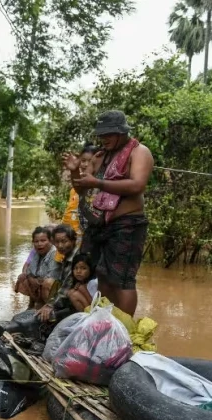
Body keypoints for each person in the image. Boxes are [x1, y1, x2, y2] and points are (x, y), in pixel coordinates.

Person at [63, 110, 154, 316]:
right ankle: (106, 321)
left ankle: (125, 329)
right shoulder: (100, 156)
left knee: (122, 279)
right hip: (101, 223)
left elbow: (137, 185)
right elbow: (81, 188)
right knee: (102, 275)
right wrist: (75, 171)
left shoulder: (139, 152)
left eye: (109, 134)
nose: (104, 139)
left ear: (122, 132)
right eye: (101, 135)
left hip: (128, 223)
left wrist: (97, 182)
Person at [58, 143, 99, 261]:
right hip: (73, 238)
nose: (85, 164)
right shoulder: (76, 187)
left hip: (92, 238)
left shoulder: (102, 184)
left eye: (90, 161)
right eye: (83, 160)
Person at [36, 224, 79, 322]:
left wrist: (50, 305)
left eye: (64, 241)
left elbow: (67, 286)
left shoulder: (76, 260)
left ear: (73, 241)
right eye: (57, 242)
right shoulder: (67, 256)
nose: (60, 246)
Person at [15, 226, 59, 309]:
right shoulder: (35, 251)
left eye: (43, 241)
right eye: (36, 241)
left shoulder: (54, 253)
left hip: (54, 287)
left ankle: (50, 308)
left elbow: (52, 276)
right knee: (23, 279)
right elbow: (29, 270)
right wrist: (29, 276)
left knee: (47, 283)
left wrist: (35, 280)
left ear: (50, 241)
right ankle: (35, 303)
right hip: (39, 281)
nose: (39, 244)